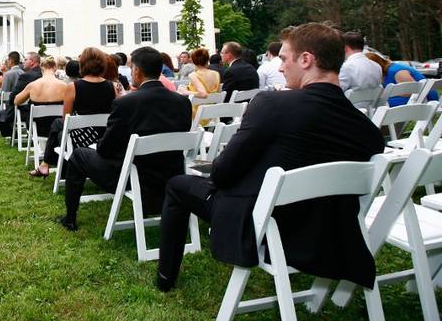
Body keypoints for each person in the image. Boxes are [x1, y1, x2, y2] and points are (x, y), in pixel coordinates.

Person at [154, 23, 385, 292]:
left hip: (267, 221)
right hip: (327, 233)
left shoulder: (273, 105)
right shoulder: (367, 131)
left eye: (285, 59)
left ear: (307, 60)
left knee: (178, 184)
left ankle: (165, 277)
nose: (280, 67)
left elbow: (222, 173)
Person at [57, 47, 192, 231]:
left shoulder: (126, 103)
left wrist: (99, 145)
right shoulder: (183, 102)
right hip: (171, 174)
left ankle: (70, 218)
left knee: (80, 155)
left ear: (137, 70)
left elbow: (106, 149)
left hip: (131, 175)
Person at [32, 47, 115, 178]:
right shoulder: (112, 86)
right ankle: (46, 164)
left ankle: (46, 164)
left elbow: (67, 120)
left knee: (58, 125)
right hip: (104, 137)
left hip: (81, 139)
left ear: (82, 64)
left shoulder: (73, 87)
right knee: (57, 125)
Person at [13, 57, 66, 176]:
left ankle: (46, 162)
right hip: (59, 130)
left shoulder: (33, 85)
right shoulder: (64, 85)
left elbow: (16, 101)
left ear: (42, 67)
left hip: (39, 129)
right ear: (55, 68)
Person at [0, 52, 42, 138]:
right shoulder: (42, 74)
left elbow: (13, 98)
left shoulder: (26, 76)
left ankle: (14, 136)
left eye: (25, 60)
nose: (23, 62)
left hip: (29, 112)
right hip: (44, 111)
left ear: (32, 62)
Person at [366, 52, 436, 107]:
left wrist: (387, 93)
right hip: (414, 98)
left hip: (424, 98)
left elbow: (413, 90)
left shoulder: (396, 71)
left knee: (376, 105)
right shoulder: (384, 71)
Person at [178, 48, 222, 123]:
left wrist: (185, 92)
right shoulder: (216, 73)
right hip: (213, 113)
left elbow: (203, 94)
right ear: (207, 60)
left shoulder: (194, 75)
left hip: (198, 115)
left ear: (193, 61)